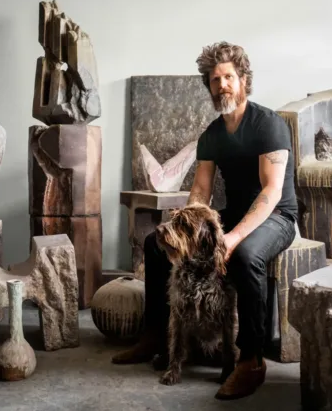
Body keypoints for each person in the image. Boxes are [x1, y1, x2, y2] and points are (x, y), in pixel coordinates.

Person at [112, 41, 297, 400]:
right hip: (233, 214)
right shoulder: (212, 135)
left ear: (243, 79)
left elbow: (271, 193)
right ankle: (154, 336)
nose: (222, 85)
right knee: (155, 242)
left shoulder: (268, 125)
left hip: (275, 216)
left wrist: (232, 238)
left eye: (229, 76)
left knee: (245, 257)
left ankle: (251, 359)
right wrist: (189, 230)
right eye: (215, 80)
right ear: (209, 87)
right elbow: (200, 190)